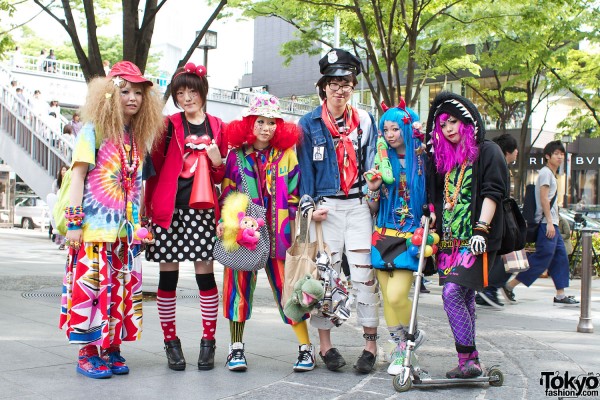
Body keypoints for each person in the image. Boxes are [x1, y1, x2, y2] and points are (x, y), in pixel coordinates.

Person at [59, 60, 165, 379]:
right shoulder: (93, 130)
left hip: (125, 235)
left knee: (120, 290)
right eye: (125, 91)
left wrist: (140, 224)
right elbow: (77, 176)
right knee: (92, 290)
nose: (133, 97)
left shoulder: (136, 136)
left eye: (138, 93)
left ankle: (112, 347)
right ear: (109, 95)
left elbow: (135, 185)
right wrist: (74, 223)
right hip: (93, 230)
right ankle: (88, 352)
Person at [297, 48, 379, 373]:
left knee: (363, 275)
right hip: (325, 209)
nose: (340, 89)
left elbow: (374, 163)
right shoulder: (309, 123)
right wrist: (308, 207)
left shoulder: (365, 121)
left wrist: (375, 186)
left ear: (353, 86)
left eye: (345, 82)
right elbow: (304, 172)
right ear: (324, 86)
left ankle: (370, 343)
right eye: (334, 82)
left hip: (359, 207)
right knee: (326, 276)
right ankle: (326, 346)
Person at [217, 93, 311, 372]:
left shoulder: (287, 155)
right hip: (244, 235)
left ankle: (306, 349)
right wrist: (228, 221)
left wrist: (296, 226)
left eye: (272, 122)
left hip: (280, 234)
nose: (266, 127)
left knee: (289, 290)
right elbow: (227, 193)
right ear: (249, 123)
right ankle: (236, 349)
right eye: (260, 121)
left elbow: (295, 193)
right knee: (237, 289)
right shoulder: (235, 156)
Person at [144, 62, 227, 372]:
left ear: (202, 91)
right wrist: (147, 209)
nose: (187, 97)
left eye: (192, 91)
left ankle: (208, 342)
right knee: (168, 278)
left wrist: (218, 161)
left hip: (203, 212)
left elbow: (222, 175)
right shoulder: (167, 125)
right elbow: (152, 169)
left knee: (205, 276)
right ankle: (171, 343)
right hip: (170, 210)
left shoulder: (218, 126)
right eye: (180, 92)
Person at [425, 91, 508, 379]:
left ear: (467, 121)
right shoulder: (444, 159)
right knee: (464, 296)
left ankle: (467, 358)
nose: (448, 129)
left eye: (453, 121)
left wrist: (481, 230)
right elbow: (436, 196)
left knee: (451, 293)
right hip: (449, 241)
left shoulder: (488, 151)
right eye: (442, 125)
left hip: (474, 239)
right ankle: (470, 360)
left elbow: (493, 192)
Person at [364, 100, 427, 375]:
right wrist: (374, 189)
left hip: (410, 236)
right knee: (387, 299)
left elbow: (429, 201)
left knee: (397, 294)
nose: (389, 134)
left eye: (395, 129)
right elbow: (373, 207)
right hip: (383, 233)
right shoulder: (381, 160)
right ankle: (401, 349)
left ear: (407, 128)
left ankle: (414, 334)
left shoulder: (424, 160)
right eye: (385, 129)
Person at [502, 141, 579, 306]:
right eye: (556, 154)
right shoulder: (545, 173)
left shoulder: (551, 174)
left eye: (562, 154)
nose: (559, 157)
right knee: (543, 257)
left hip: (552, 224)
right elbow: (544, 199)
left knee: (560, 257)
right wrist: (550, 222)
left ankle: (560, 294)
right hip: (547, 224)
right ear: (547, 156)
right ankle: (509, 285)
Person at [475, 133, 519, 308]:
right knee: (503, 257)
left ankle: (487, 288)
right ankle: (488, 288)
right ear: (510, 151)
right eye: (516, 151)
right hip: (494, 223)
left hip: (491, 222)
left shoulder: (492, 161)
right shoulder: (497, 163)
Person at [52, 166, 68, 249]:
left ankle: (64, 242)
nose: (64, 171)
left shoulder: (69, 178)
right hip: (60, 202)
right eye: (63, 170)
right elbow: (54, 192)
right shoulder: (57, 182)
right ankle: (61, 241)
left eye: (65, 170)